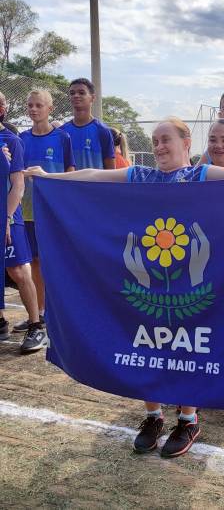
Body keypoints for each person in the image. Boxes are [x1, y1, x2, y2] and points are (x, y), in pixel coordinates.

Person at [25, 117, 224, 458]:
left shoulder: (199, 175)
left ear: (186, 143)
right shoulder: (141, 175)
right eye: (155, 141)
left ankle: (188, 419)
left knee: (187, 349)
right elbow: (95, 176)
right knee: (148, 347)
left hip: (188, 280)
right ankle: (153, 417)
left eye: (165, 139)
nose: (158, 147)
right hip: (147, 279)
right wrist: (49, 179)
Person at [20, 90, 75, 332]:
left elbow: (70, 174)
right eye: (30, 105)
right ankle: (39, 312)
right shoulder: (21, 138)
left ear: (49, 108)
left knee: (52, 261)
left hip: (53, 211)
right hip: (28, 211)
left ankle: (60, 312)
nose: (33, 109)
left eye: (38, 105)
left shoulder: (62, 138)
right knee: (33, 262)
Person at [0, 116, 45, 353]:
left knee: (18, 270)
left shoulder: (11, 140)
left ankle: (35, 325)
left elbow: (18, 186)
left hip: (8, 215)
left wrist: (6, 218)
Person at [61, 78, 115, 170]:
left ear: (92, 98)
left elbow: (110, 171)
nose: (76, 96)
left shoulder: (102, 131)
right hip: (69, 184)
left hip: (95, 184)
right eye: (72, 93)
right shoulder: (62, 132)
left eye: (81, 93)